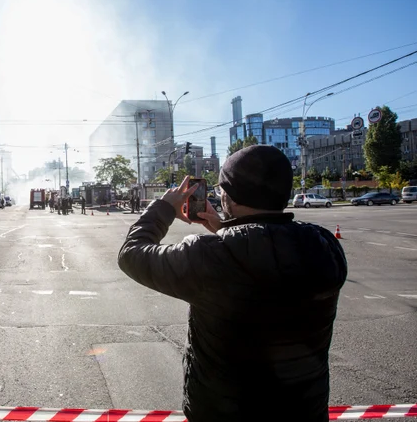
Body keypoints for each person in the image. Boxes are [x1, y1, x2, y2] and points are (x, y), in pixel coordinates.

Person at [118, 145, 347, 422]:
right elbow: (267, 252)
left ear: (228, 195)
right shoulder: (325, 245)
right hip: (303, 409)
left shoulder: (208, 254)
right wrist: (227, 230)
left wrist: (164, 207)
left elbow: (132, 255)